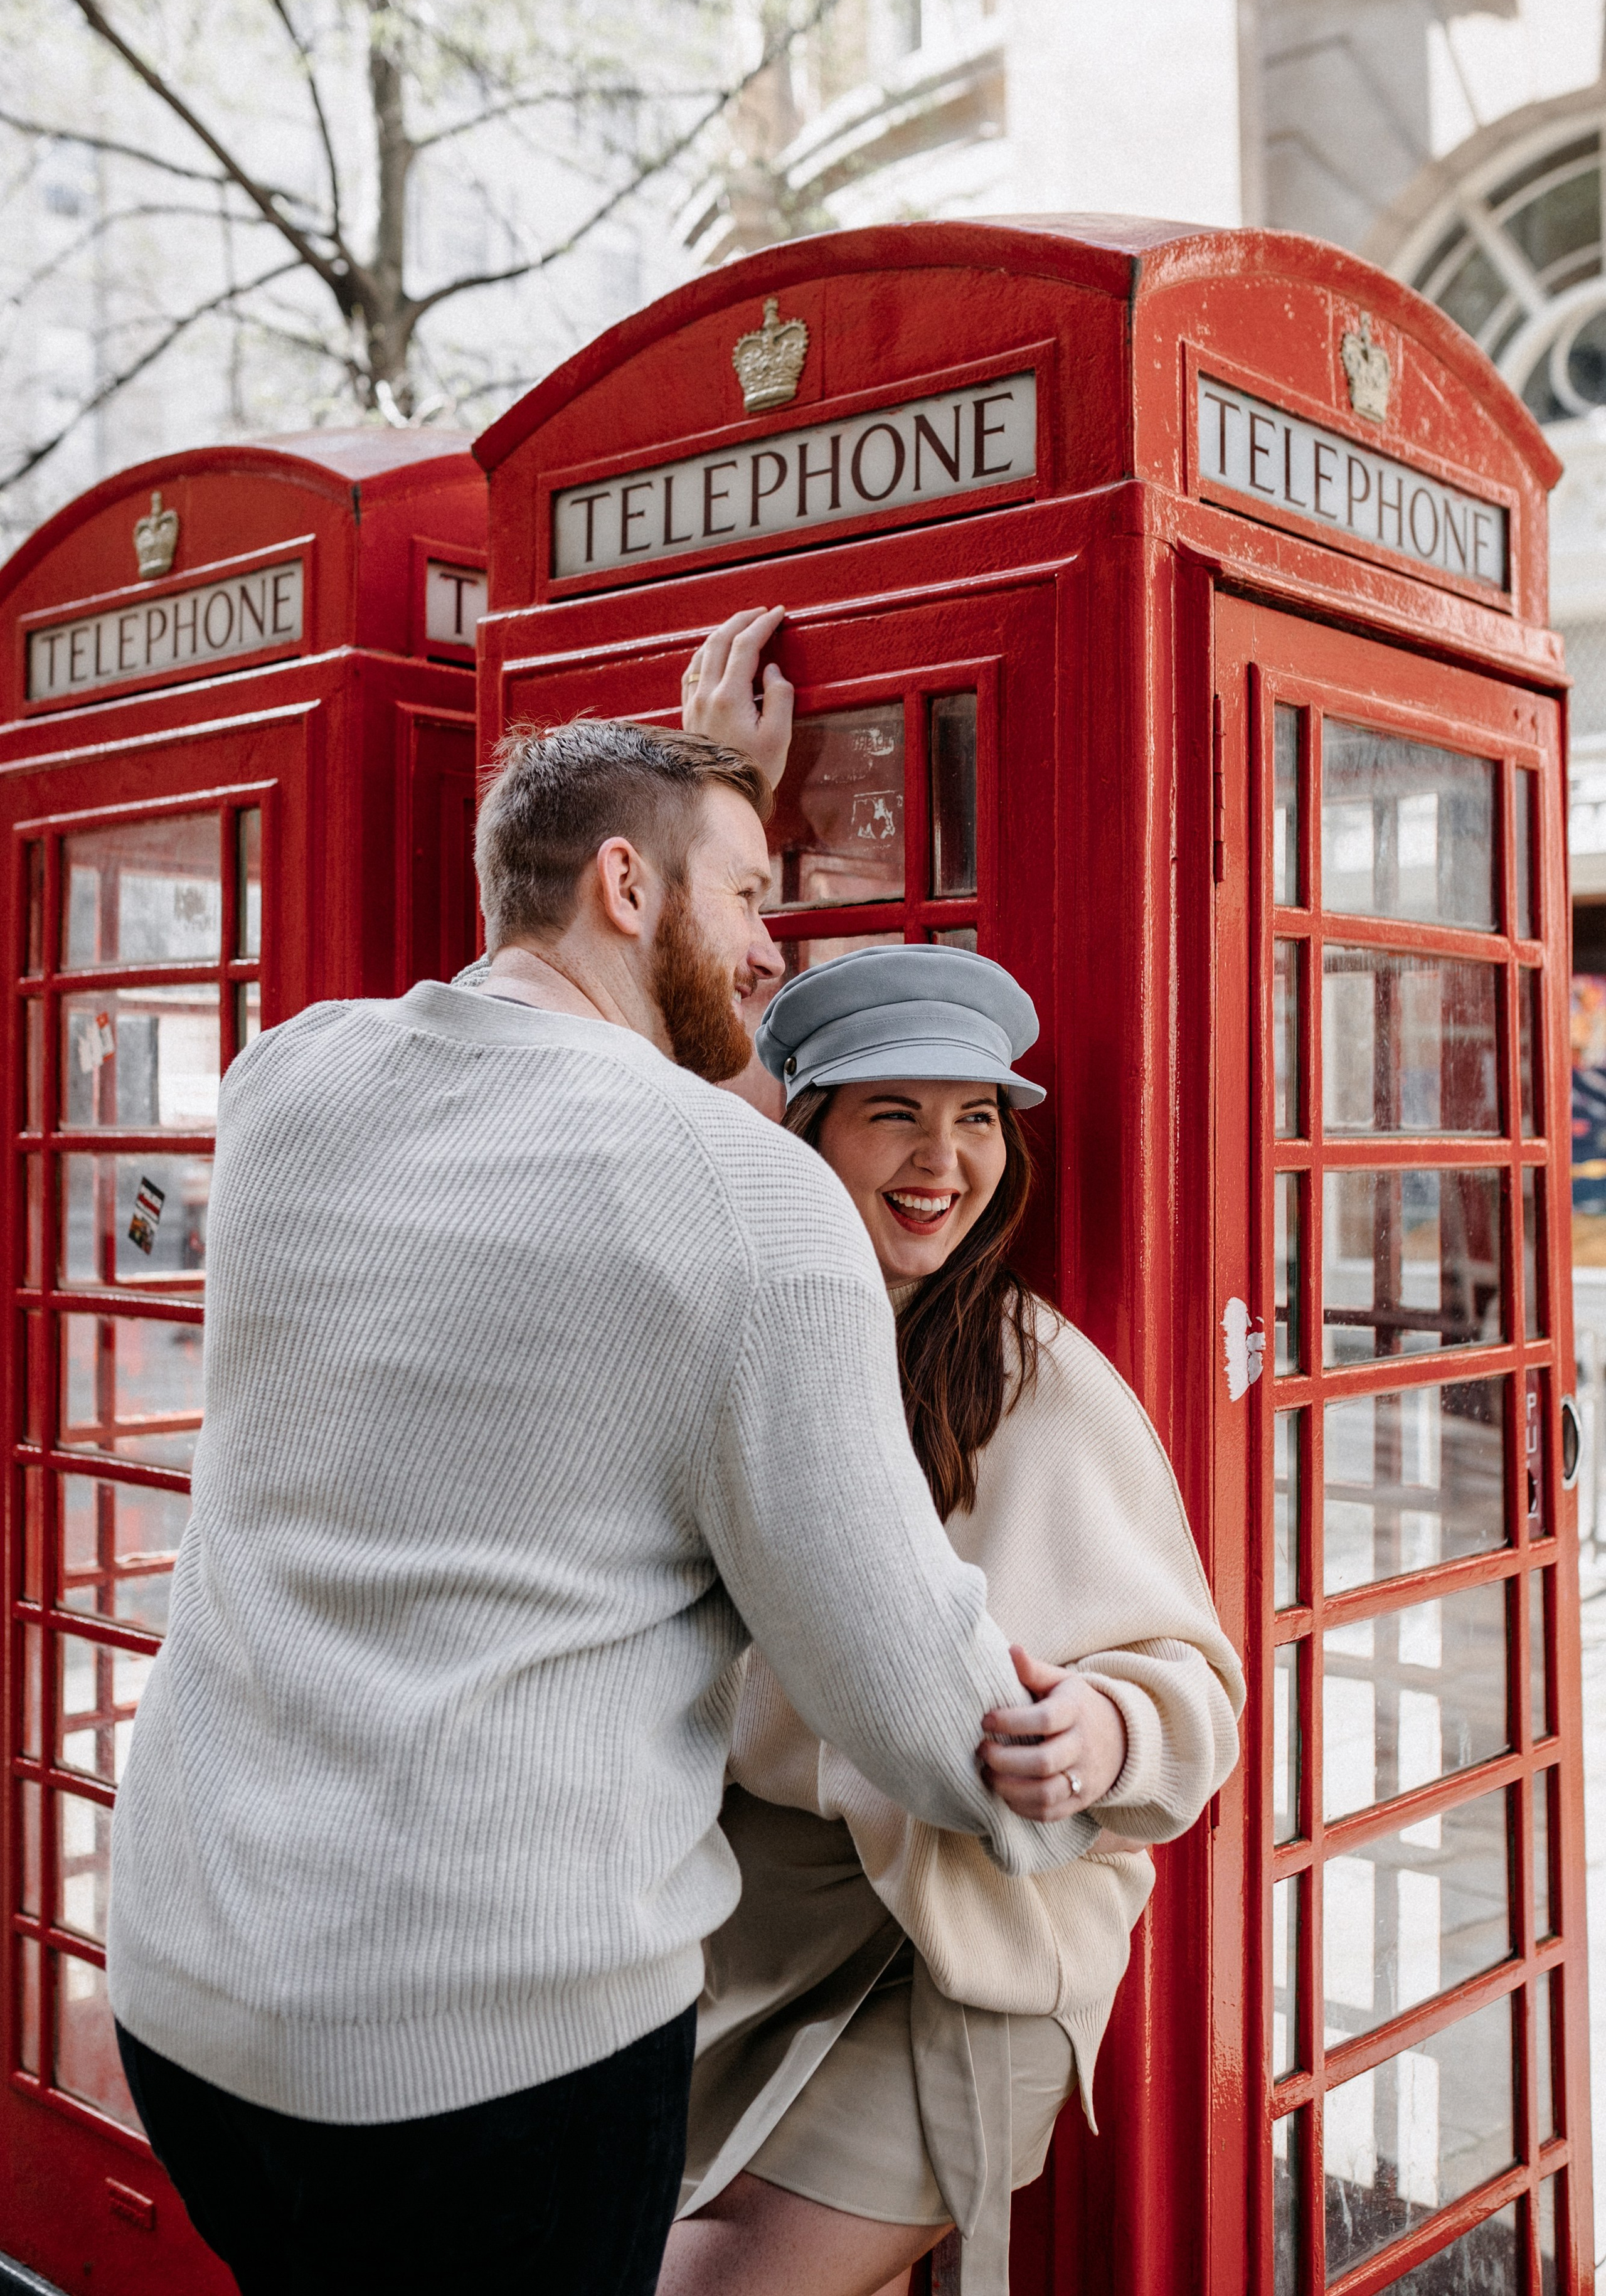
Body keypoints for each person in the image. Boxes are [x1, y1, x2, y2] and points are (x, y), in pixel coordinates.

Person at [106, 610, 1097, 2296]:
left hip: (190, 1995)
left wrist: (701, 794)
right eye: (752, 897)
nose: (777, 951)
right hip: (491, 2061)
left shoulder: (289, 1085)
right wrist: (1056, 1783)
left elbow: (503, 1024)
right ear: (631, 892)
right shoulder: (750, 1191)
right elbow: (901, 1695)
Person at [660, 644, 1244, 2296]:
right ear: (808, 1135)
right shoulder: (744, 1330)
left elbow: (1195, 1688)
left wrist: (1103, 1727)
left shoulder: (1031, 1374)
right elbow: (605, 1091)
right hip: (735, 1927)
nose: (944, 1160)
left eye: (978, 1118)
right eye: (893, 1116)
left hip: (968, 1950)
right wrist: (718, 797)